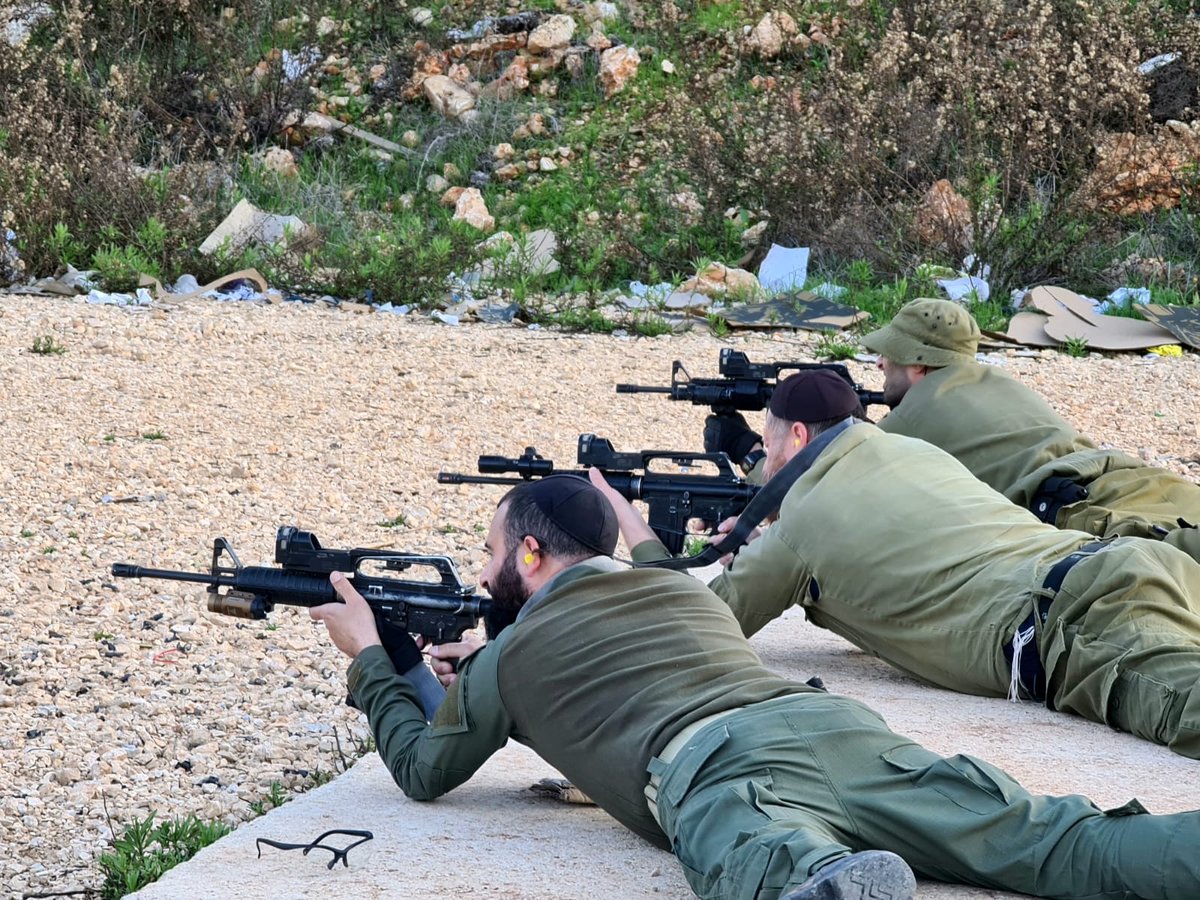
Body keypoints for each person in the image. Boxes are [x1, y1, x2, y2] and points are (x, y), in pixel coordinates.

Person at [311, 474, 1200, 900]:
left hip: (719, 768)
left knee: (769, 864)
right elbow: (641, 574)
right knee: (1052, 841)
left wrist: (367, 659)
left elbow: (427, 771)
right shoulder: (667, 586)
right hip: (834, 729)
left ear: (532, 555)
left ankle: (827, 881)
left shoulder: (509, 661)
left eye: (495, 547)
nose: (489, 563)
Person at [625, 369, 1200, 759]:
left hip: (1074, 625)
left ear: (797, 435)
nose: (767, 461)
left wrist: (642, 540)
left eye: (770, 447)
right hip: (1136, 565)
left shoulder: (797, 530)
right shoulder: (912, 450)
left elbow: (695, 627)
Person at [707, 298, 1200, 562]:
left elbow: (822, 486)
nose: (880, 361)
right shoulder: (994, 381)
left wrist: (750, 451)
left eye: (890, 354)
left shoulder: (920, 411)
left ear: (920, 364)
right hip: (1149, 486)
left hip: (1098, 516)